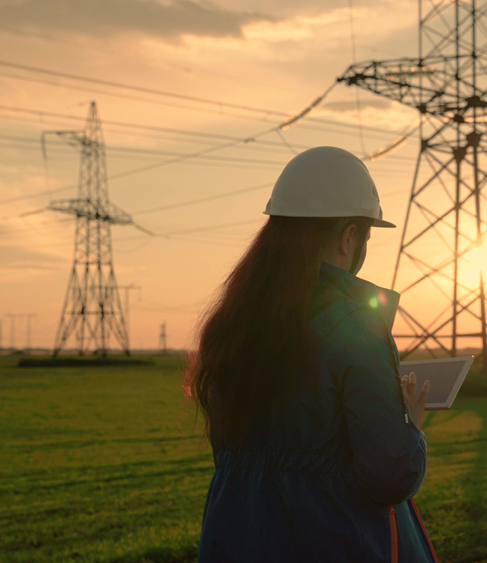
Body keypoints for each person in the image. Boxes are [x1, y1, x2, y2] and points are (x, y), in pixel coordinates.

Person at [186, 146, 437, 562]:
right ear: (350, 236)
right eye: (367, 236)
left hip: (235, 537)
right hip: (332, 541)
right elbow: (389, 474)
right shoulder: (356, 325)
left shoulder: (232, 323)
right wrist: (411, 425)